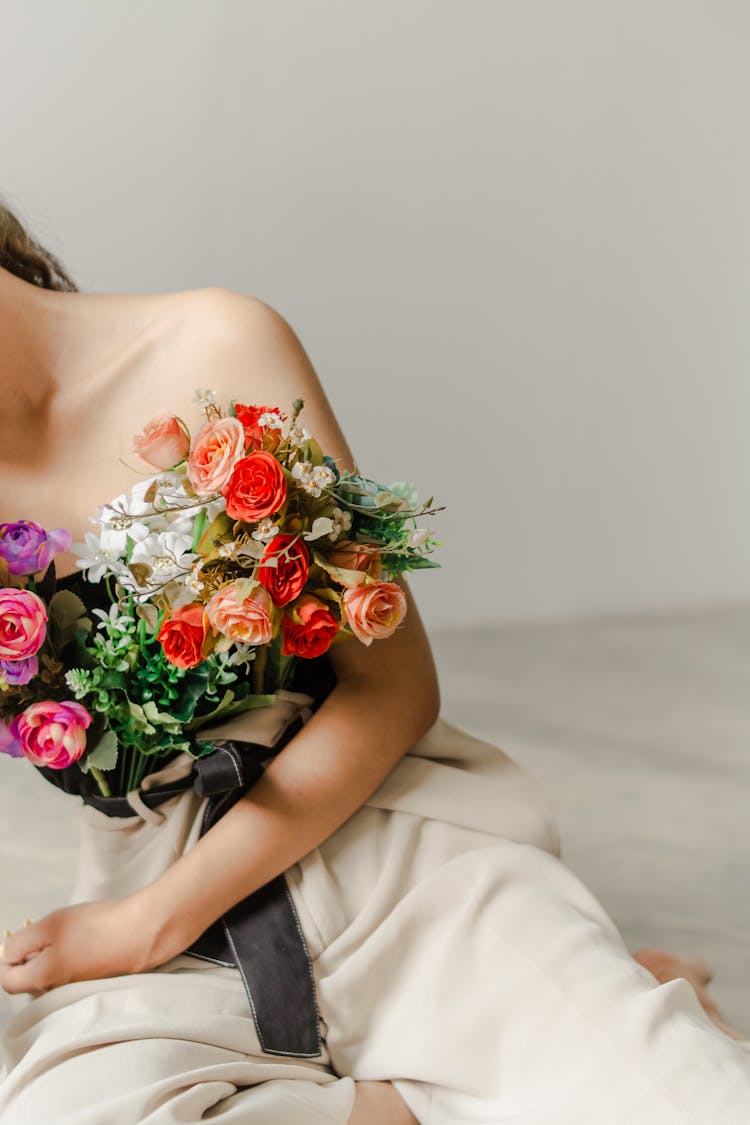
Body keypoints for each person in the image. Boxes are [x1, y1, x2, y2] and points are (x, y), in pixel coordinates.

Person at [0, 200, 748, 1125]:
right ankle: (458, 1086)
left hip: (378, 838)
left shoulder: (211, 348)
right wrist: (135, 921)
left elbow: (394, 688)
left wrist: (154, 920)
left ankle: (569, 1019)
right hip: (149, 884)